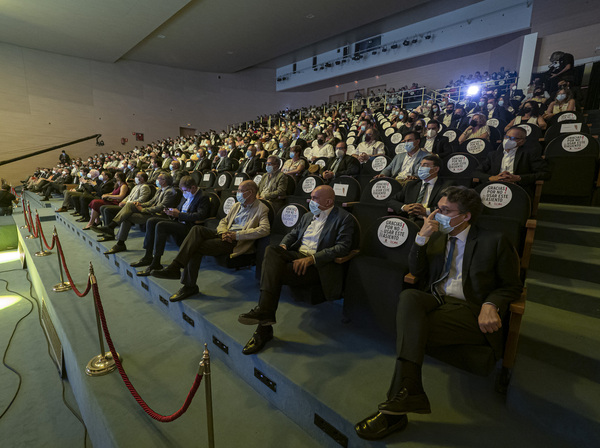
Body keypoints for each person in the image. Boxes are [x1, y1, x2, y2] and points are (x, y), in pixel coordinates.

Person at [354, 186, 522, 441]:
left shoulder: (494, 240)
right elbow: (416, 271)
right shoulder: (436, 236)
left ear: (465, 216)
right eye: (437, 208)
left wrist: (491, 304)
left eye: (445, 211)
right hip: (435, 299)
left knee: (410, 331)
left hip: (469, 308)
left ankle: (395, 410)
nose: (437, 215)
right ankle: (408, 395)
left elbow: (512, 286)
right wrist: (421, 238)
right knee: (409, 297)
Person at [237, 185, 354, 355]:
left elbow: (342, 248)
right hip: (297, 255)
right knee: (272, 250)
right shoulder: (307, 216)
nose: (310, 201)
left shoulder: (344, 218)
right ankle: (264, 316)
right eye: (311, 197)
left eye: (314, 198)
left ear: (329, 202)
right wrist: (284, 245)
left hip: (317, 265)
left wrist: (312, 259)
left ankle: (263, 328)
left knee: (273, 273)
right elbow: (293, 234)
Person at [151, 180, 270, 302]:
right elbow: (224, 221)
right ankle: (176, 268)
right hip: (224, 234)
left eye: (240, 190)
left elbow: (264, 230)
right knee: (197, 229)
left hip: (236, 242)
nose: (237, 193)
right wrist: (223, 232)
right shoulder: (237, 205)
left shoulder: (261, 208)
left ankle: (187, 283)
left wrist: (236, 235)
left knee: (195, 247)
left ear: (250, 192)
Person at [132, 176, 210, 275]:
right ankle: (148, 256)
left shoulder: (203, 197)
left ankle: (156, 262)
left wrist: (179, 215)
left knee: (161, 225)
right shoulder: (186, 194)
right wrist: (171, 211)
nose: (184, 193)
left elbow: (200, 215)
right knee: (151, 221)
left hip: (189, 226)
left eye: (185, 190)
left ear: (193, 187)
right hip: (179, 221)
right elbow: (179, 208)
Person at [96, 173, 179, 253]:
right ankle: (114, 233)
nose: (156, 180)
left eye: (158, 178)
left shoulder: (169, 191)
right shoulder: (160, 190)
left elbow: (160, 207)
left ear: (164, 181)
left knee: (127, 215)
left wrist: (143, 210)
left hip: (160, 215)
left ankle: (116, 237)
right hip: (151, 212)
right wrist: (139, 204)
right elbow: (151, 202)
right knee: (130, 206)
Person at [474, 126, 550, 197]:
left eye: (513, 138)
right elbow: (476, 172)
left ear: (522, 141)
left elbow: (545, 174)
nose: (507, 140)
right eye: (506, 137)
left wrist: (519, 178)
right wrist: (491, 178)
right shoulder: (493, 155)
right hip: (494, 190)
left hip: (518, 190)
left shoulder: (529, 154)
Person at [387, 155, 452, 226]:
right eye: (420, 165)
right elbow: (391, 201)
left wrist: (426, 211)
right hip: (408, 220)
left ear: (436, 169)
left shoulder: (447, 186)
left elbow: (449, 208)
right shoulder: (411, 185)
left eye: (425, 165)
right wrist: (405, 207)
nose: (421, 168)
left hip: (431, 221)